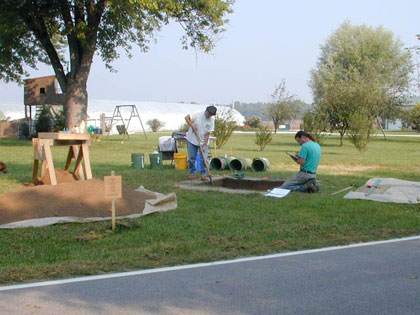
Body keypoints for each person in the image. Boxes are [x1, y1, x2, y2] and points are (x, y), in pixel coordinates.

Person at [185, 105, 217, 180]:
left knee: (204, 158)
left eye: (211, 115)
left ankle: (204, 174)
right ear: (206, 111)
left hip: (203, 141)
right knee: (192, 157)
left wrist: (204, 145)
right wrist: (192, 126)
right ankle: (192, 173)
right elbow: (186, 118)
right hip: (192, 139)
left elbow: (207, 134)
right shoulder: (197, 114)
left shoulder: (212, 120)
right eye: (208, 114)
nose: (209, 116)